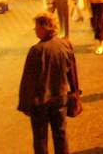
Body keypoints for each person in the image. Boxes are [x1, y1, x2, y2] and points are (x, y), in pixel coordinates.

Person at [18, 12, 78, 154]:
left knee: (40, 138)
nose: (35, 30)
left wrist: (25, 103)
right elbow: (73, 73)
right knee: (60, 134)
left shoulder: (36, 51)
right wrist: (75, 92)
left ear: (45, 27)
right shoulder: (65, 45)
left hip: (40, 101)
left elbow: (28, 80)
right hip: (60, 97)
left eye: (37, 27)